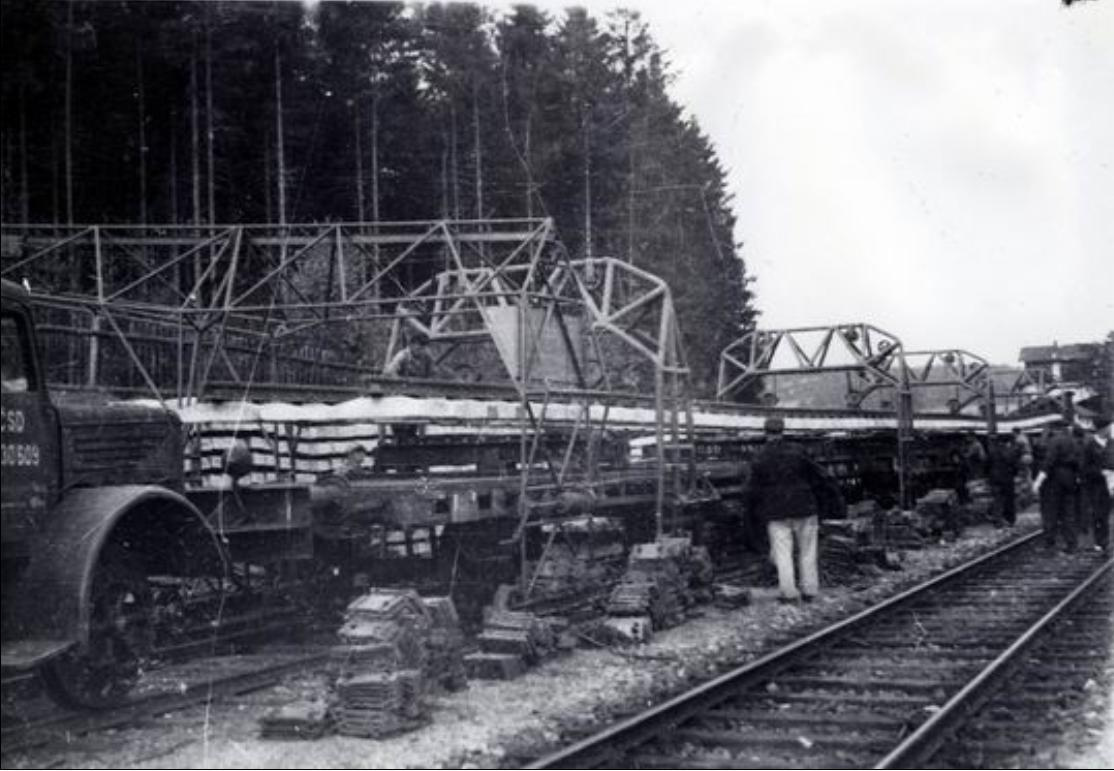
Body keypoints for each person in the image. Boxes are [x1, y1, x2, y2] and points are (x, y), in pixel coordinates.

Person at [744, 416, 830, 604]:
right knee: (808, 551)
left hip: (776, 511)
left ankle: (789, 593)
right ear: (783, 431)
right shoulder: (799, 451)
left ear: (765, 433)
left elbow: (752, 490)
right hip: (805, 507)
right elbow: (820, 476)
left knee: (782, 553)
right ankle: (810, 590)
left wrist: (755, 513)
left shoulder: (759, 457)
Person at [1033, 418, 1081, 552]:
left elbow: (1049, 461)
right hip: (1070, 479)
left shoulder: (1054, 441)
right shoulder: (1073, 441)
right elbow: (1079, 462)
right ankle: (1072, 544)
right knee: (1068, 513)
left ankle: (1049, 543)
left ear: (1052, 428)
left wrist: (1038, 481)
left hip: (1054, 480)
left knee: (1050, 512)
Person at [1080, 415, 1113, 555]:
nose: (1111, 429)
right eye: (1109, 427)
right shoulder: (1089, 446)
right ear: (1101, 429)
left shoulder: (1112, 443)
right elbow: (1084, 468)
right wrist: (1100, 472)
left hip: (1112, 483)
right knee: (1099, 514)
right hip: (1096, 486)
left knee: (1106, 513)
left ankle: (1104, 540)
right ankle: (1101, 541)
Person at [988, 434, 1021, 526]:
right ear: (1008, 442)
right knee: (1009, 500)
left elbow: (986, 465)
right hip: (1007, 478)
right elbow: (1015, 466)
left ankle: (997, 520)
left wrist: (989, 476)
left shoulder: (992, 451)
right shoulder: (1010, 452)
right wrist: (1014, 473)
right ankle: (1010, 520)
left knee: (997, 499)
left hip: (994, 478)